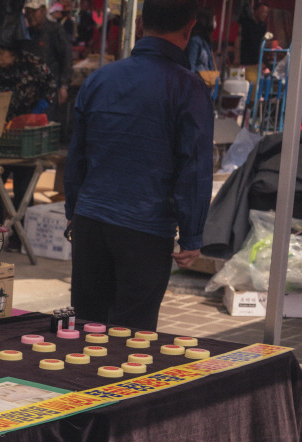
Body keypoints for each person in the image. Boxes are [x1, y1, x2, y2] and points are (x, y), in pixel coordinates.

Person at [65, 0, 212, 331]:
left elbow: (77, 155)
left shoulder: (99, 79)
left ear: (140, 24)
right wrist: (192, 234)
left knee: (86, 330)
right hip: (145, 229)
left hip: (91, 222)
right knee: (132, 338)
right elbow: (194, 168)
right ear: (190, 27)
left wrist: (74, 208)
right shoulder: (188, 87)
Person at [0, 37, 55, 229]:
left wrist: (35, 114)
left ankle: (20, 235)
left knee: (23, 187)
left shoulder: (34, 65)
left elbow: (50, 90)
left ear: (13, 52)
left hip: (27, 133)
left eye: (1, 53)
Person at [23, 1, 71, 107]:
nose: (30, 15)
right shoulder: (27, 32)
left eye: (34, 11)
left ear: (43, 11)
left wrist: (64, 86)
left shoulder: (55, 30)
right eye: (28, 11)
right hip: (29, 90)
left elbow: (66, 57)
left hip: (50, 89)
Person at [238, 1, 268, 68]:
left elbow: (262, 42)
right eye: (263, 12)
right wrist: (236, 59)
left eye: (266, 13)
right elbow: (239, 39)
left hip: (257, 60)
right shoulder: (246, 23)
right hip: (245, 59)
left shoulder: (263, 26)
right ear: (256, 11)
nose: (265, 14)